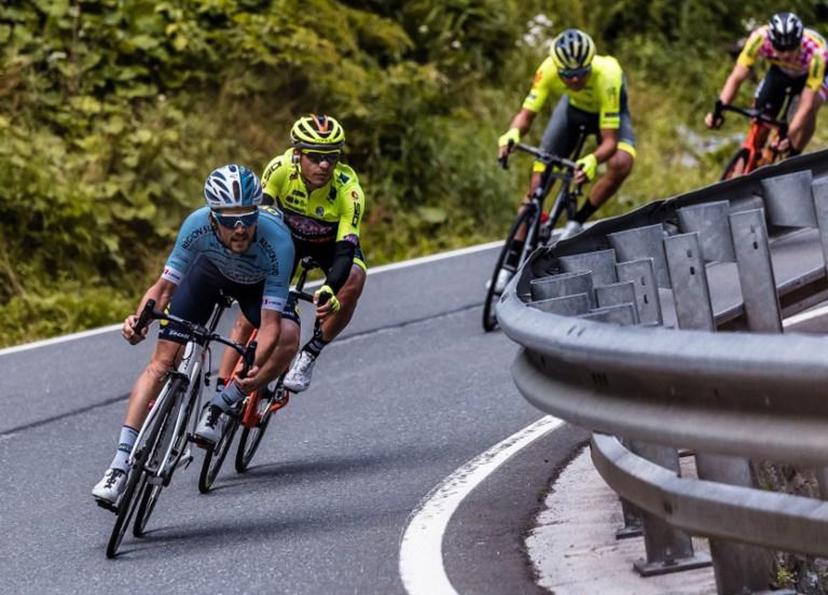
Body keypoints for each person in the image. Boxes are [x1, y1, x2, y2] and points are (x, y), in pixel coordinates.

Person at [92, 164, 296, 506]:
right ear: (214, 217)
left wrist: (251, 366)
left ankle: (220, 405)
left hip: (256, 287)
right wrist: (140, 319)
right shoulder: (196, 224)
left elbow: (271, 323)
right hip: (209, 275)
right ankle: (119, 465)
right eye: (230, 219)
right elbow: (165, 287)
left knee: (288, 337)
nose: (241, 227)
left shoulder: (278, 241)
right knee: (160, 364)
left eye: (248, 216)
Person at [217, 114, 366, 395]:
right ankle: (225, 384)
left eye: (331, 158)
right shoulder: (280, 169)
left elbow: (346, 250)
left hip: (329, 245)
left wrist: (330, 288)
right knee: (255, 306)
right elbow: (255, 224)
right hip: (287, 238)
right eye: (315, 156)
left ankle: (309, 354)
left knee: (355, 276)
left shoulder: (349, 190)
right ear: (297, 154)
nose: (324, 165)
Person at [495, 28, 636, 289]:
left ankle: (577, 220)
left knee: (621, 162)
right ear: (557, 68)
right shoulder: (548, 69)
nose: (573, 81)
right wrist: (512, 133)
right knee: (537, 184)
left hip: (608, 114)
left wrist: (593, 160)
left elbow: (609, 141)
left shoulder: (608, 75)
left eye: (580, 74)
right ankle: (510, 261)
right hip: (573, 112)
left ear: (590, 64)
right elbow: (526, 115)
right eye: (567, 75)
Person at [705, 12, 827, 155]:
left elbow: (806, 105)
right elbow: (737, 77)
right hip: (781, 70)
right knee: (761, 116)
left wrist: (788, 136)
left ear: (799, 42)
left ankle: (794, 155)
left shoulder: (817, 53)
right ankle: (753, 156)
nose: (786, 54)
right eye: (780, 48)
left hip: (814, 74)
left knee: (808, 110)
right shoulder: (759, 39)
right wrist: (719, 111)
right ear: (771, 41)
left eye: (791, 48)